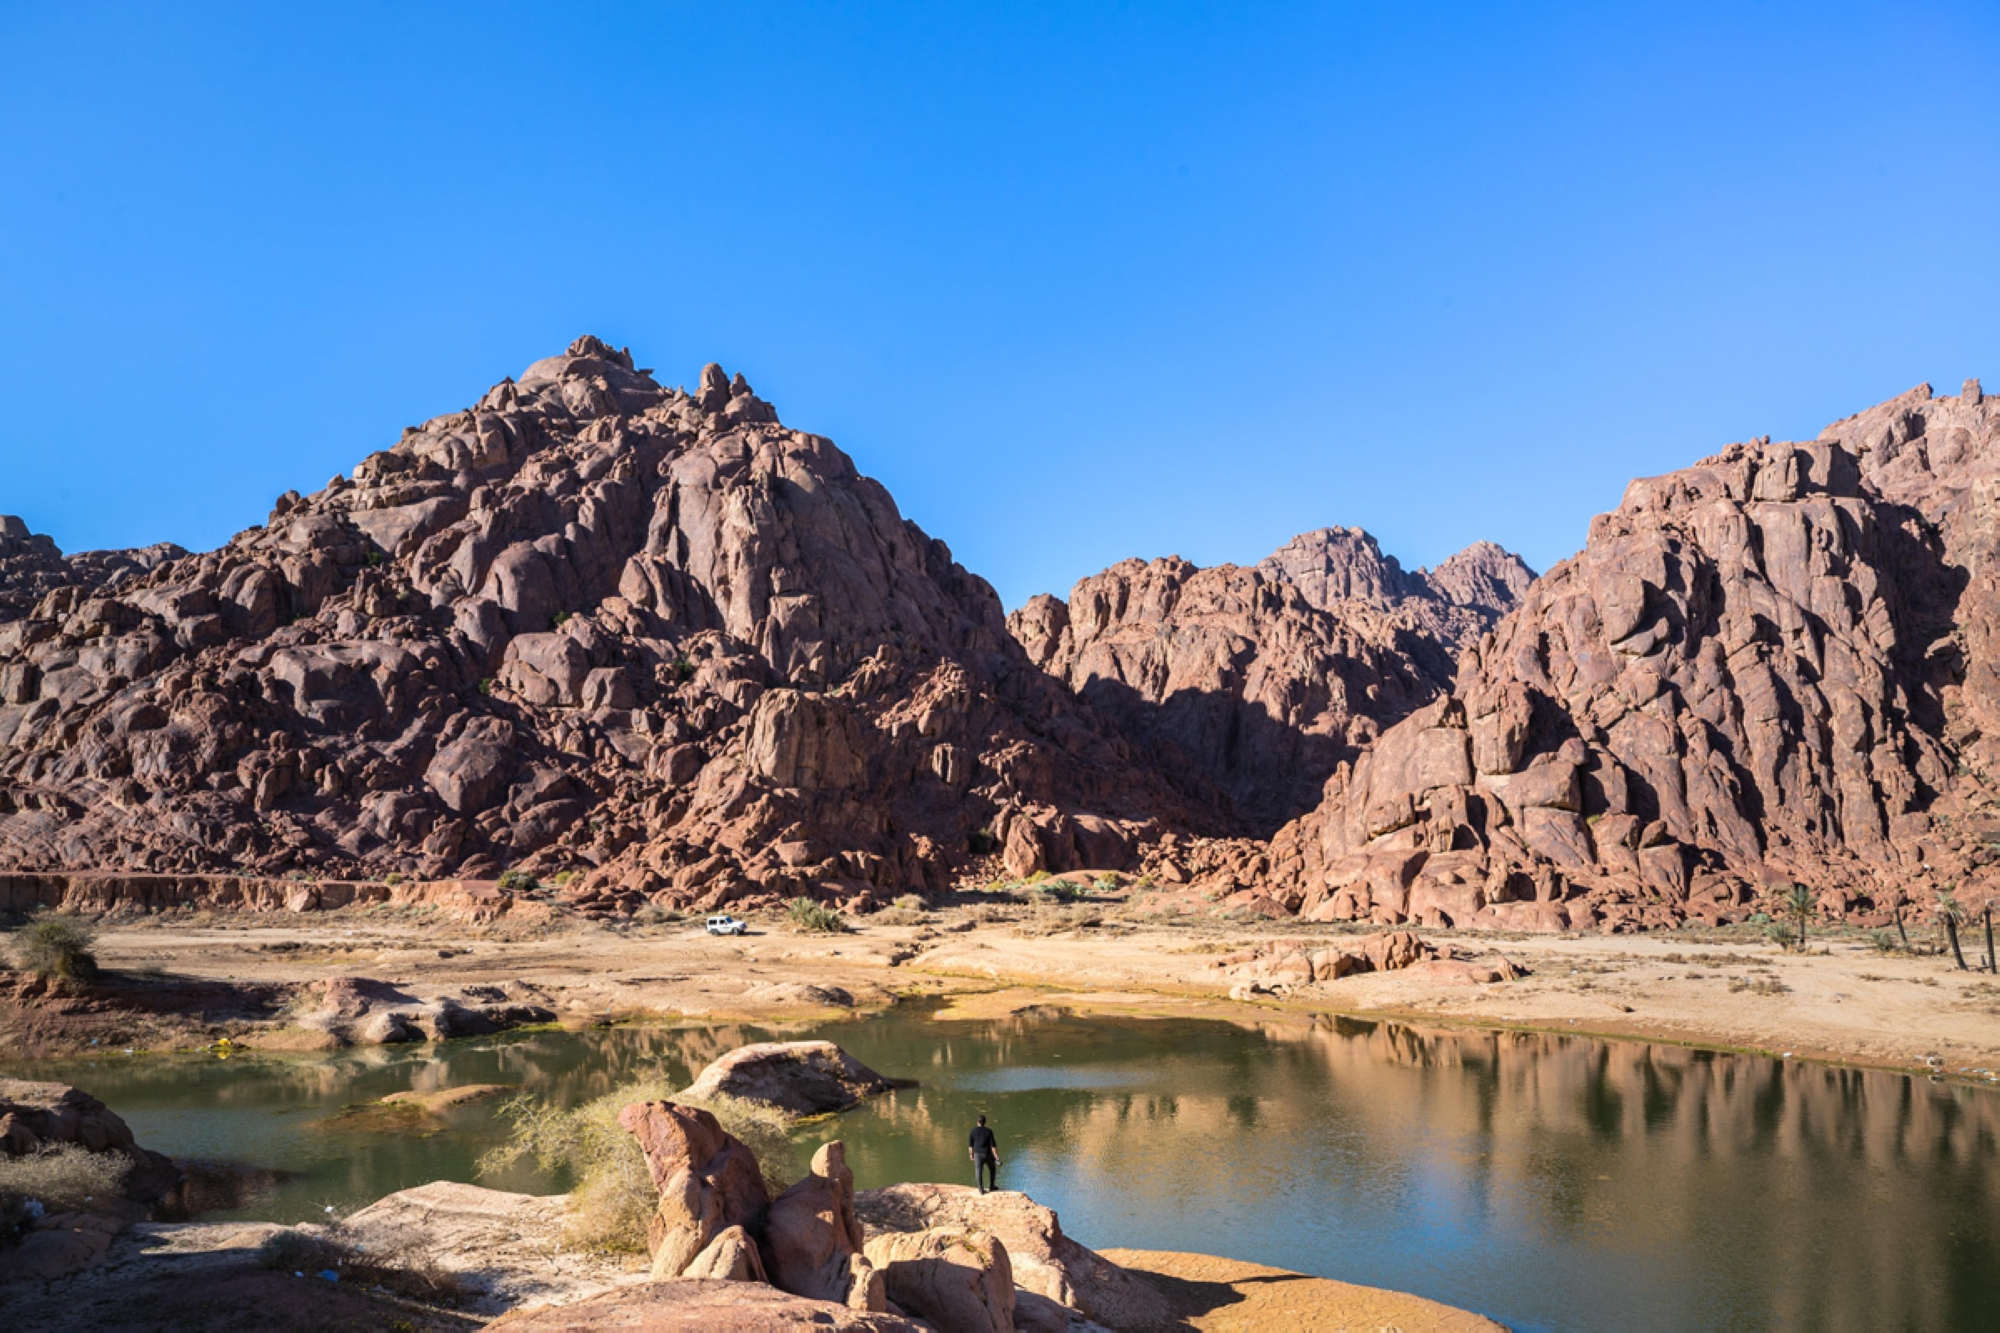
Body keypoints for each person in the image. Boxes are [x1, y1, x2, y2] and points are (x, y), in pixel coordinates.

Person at [968, 1113, 1000, 1193]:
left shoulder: (973, 1131)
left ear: (977, 1122)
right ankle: (991, 1186)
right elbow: (993, 1146)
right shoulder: (989, 1131)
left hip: (977, 1154)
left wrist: (971, 1155)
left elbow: (970, 1146)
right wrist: (996, 1156)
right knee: (992, 1169)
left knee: (978, 1171)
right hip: (987, 1154)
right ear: (985, 1122)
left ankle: (980, 1189)